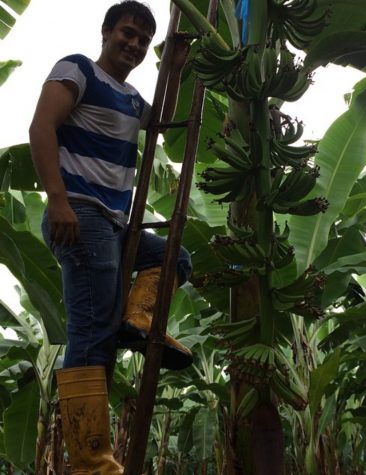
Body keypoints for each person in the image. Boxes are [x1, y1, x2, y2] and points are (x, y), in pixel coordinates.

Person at [29, 2, 192, 472]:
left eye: (143, 40)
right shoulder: (77, 69)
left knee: (175, 258)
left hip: (117, 227)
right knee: (90, 336)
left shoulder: (130, 97)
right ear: (106, 32)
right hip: (81, 213)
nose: (134, 44)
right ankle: (91, 463)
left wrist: (174, 68)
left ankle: (136, 320)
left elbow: (160, 117)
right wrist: (57, 199)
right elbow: (42, 126)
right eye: (127, 33)